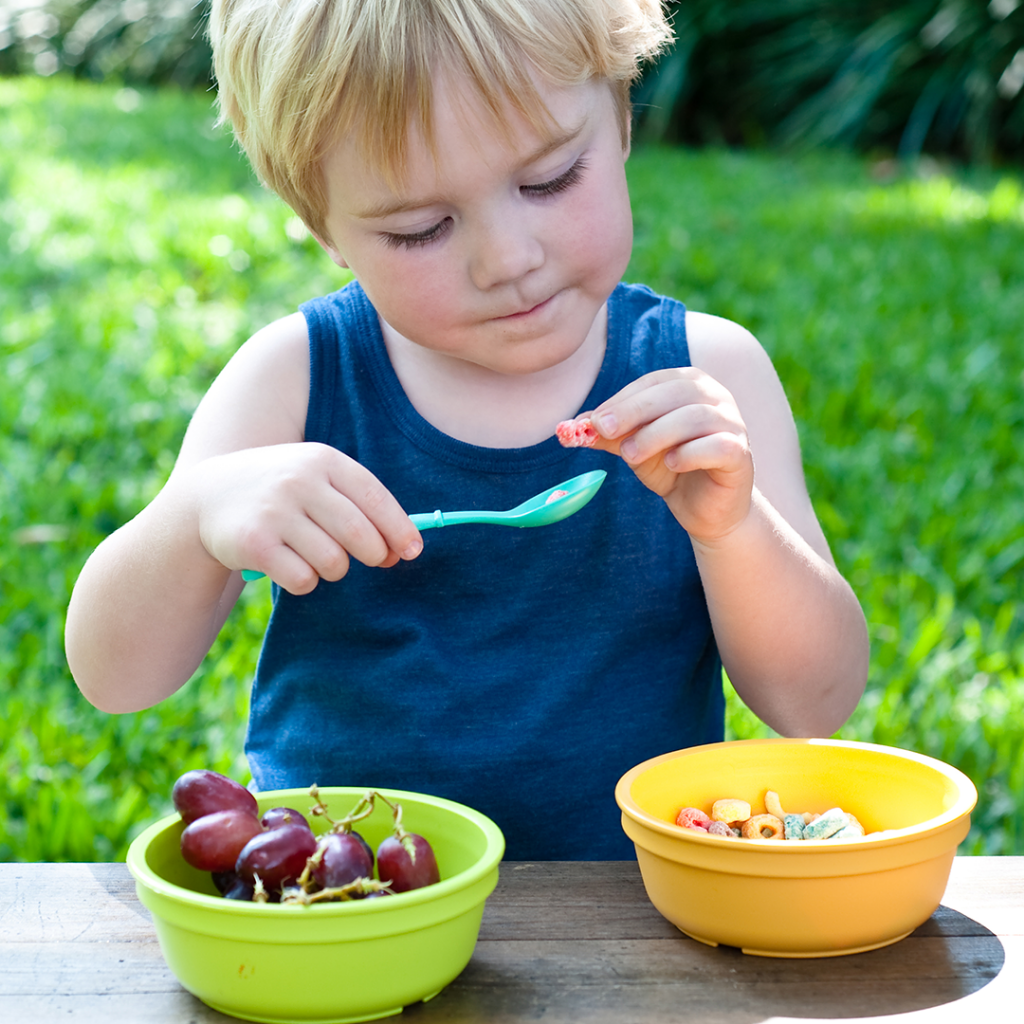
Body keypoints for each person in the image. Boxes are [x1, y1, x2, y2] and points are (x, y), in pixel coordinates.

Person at [65, 0, 869, 859]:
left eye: (552, 179)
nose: (507, 258)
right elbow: (117, 679)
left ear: (622, 122)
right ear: (321, 227)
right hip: (351, 912)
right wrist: (196, 518)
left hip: (631, 914)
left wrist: (733, 527)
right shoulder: (293, 381)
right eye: (421, 229)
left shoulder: (707, 376)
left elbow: (814, 702)